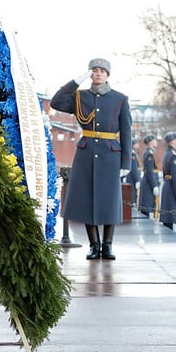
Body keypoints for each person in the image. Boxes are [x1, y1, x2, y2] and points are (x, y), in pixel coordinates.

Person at [50, 58, 132, 260]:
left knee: (110, 200)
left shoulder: (120, 99)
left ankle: (108, 245)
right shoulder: (79, 97)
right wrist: (74, 82)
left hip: (110, 154)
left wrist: (126, 163)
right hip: (86, 153)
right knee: (88, 199)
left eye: (102, 71)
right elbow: (56, 102)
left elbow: (127, 132)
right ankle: (94, 245)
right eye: (94, 70)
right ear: (90, 74)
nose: (98, 74)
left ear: (107, 75)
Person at [159, 132, 176, 230]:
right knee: (170, 219)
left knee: (168, 219)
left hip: (168, 186)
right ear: (172, 141)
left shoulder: (168, 153)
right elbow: (175, 176)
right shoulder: (173, 155)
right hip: (172, 188)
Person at [138, 134, 160, 217]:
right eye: (154, 140)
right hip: (148, 183)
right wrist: (154, 185)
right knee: (146, 209)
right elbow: (149, 171)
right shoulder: (149, 154)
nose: (156, 142)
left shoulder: (148, 152)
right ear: (150, 142)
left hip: (147, 182)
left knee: (146, 208)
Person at [122, 137, 141, 208]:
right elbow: (134, 168)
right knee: (132, 197)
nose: (138, 145)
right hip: (132, 179)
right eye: (136, 144)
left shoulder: (134, 153)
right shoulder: (132, 154)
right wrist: (137, 180)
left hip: (131, 178)